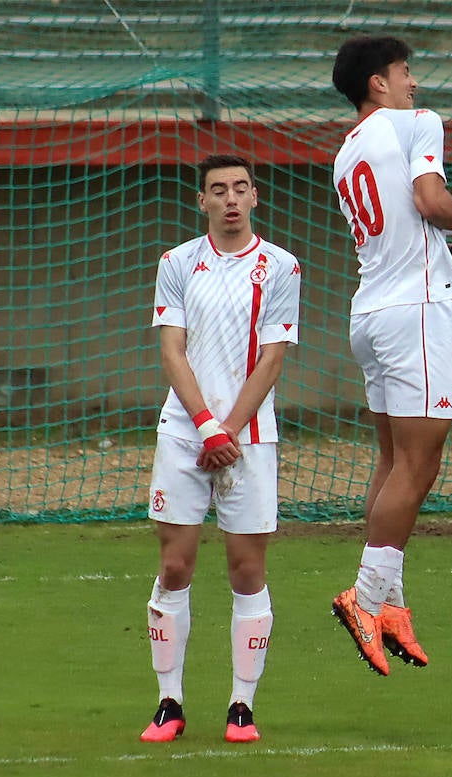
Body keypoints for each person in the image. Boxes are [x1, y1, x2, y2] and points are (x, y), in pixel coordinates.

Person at [329, 36, 452, 676]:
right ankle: (365, 598)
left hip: (370, 311)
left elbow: (405, 216)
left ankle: (391, 604)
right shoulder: (416, 122)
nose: (413, 83)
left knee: (394, 459)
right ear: (379, 83)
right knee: (421, 463)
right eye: (404, 72)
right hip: (415, 313)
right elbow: (429, 199)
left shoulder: (347, 150)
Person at [140, 154, 302, 743]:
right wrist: (206, 426)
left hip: (249, 440)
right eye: (217, 190)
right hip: (185, 434)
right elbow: (172, 352)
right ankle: (168, 702)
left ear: (255, 197)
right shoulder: (177, 263)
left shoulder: (282, 267)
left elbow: (273, 359)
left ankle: (242, 706)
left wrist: (227, 430)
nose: (230, 198)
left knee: (247, 570)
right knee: (175, 565)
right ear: (201, 201)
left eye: (239, 188)